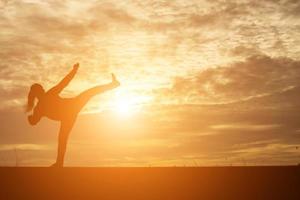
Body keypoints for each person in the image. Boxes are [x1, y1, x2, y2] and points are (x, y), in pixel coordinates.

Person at [26, 63, 120, 167]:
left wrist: (74, 70)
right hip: (69, 114)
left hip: (72, 106)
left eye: (42, 89)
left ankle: (113, 84)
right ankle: (59, 163)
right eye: (41, 90)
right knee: (62, 138)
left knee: (89, 93)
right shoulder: (39, 109)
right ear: (37, 93)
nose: (43, 91)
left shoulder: (42, 104)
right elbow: (34, 122)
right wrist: (31, 119)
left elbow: (64, 82)